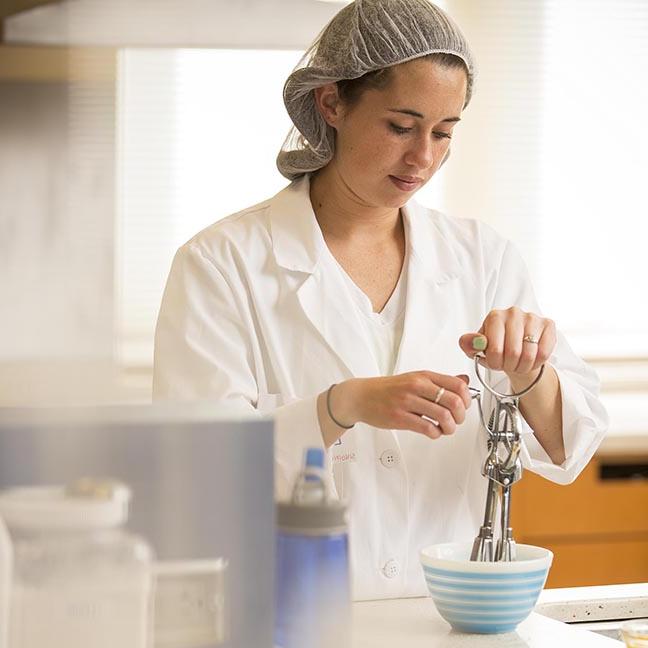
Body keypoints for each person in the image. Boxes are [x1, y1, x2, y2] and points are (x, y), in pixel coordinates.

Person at [153, 0, 608, 600]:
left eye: (444, 133)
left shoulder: (482, 257)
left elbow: (570, 443)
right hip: (288, 616)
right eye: (401, 125)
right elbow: (200, 468)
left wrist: (529, 375)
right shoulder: (221, 262)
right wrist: (344, 405)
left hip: (448, 618)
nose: (423, 156)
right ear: (333, 103)